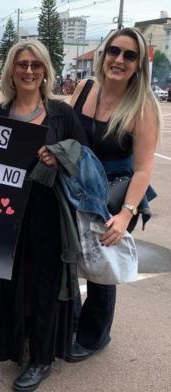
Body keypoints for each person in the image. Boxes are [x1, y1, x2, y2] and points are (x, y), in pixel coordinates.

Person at [0, 40, 88, 392]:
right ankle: (18, 343)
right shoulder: (0, 114)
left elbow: (84, 156)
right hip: (10, 216)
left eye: (35, 64)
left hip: (50, 214)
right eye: (21, 64)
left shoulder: (62, 114)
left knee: (46, 284)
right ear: (11, 71)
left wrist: (60, 156)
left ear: (45, 69)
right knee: (15, 280)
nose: (28, 70)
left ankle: (42, 358)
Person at [67, 27, 161, 362]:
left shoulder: (143, 106)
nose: (119, 59)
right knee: (71, 260)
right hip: (75, 193)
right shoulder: (84, 88)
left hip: (114, 199)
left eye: (129, 55)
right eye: (114, 51)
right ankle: (72, 322)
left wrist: (125, 216)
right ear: (104, 53)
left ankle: (94, 337)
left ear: (138, 66)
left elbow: (143, 170)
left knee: (101, 271)